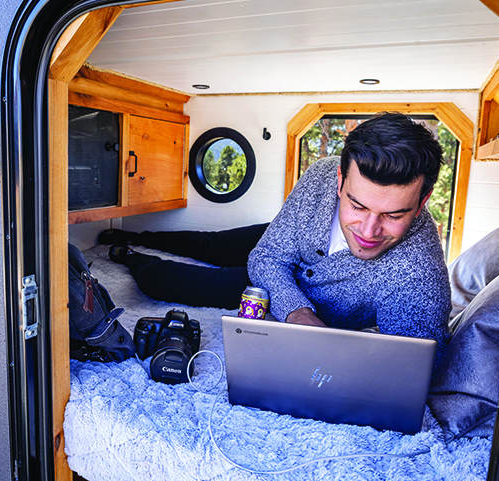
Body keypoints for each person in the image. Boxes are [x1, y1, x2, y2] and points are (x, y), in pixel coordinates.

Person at [100, 112, 451, 353]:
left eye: (392, 215)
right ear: (340, 182)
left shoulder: (419, 271)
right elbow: (267, 256)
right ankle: (139, 236)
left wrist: (292, 311)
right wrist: (298, 312)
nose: (370, 230)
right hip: (283, 241)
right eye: (357, 206)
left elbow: (412, 362)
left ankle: (129, 255)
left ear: (421, 204)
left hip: (274, 284)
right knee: (208, 244)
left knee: (166, 281)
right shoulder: (324, 172)